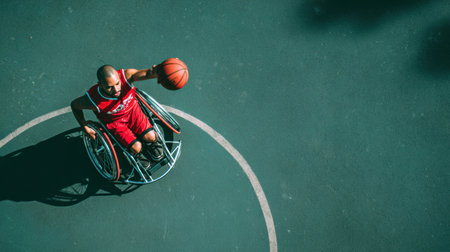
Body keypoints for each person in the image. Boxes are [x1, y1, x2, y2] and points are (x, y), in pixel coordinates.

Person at [71, 64, 164, 168]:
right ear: (100, 85)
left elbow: (147, 73)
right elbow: (74, 106)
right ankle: (135, 155)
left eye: (117, 84)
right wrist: (85, 128)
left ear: (120, 78)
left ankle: (151, 144)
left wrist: (159, 71)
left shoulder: (127, 76)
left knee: (151, 137)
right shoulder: (93, 100)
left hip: (133, 111)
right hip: (115, 122)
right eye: (109, 87)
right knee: (136, 147)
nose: (115, 90)